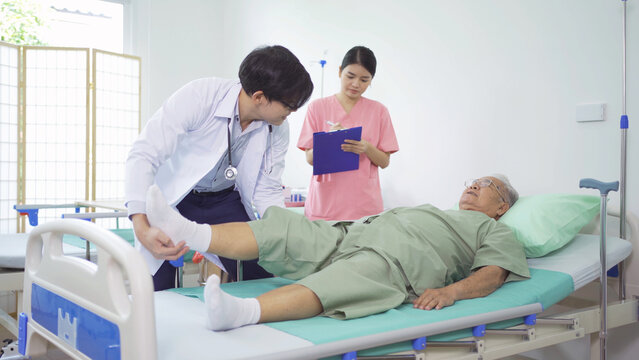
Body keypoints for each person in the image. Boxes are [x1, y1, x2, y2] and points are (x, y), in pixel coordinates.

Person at [145, 174, 530, 330]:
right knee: (285, 227)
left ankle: (240, 314)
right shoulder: (437, 210)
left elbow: (493, 274)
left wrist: (451, 292)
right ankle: (189, 231)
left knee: (341, 280)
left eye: (487, 184)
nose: (474, 185)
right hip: (356, 231)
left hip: (399, 259)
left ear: (502, 206)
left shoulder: (495, 229)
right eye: (472, 181)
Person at [125, 45, 314, 290]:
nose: (293, 111)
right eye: (289, 104)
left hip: (224, 201)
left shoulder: (276, 127)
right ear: (259, 97)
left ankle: (249, 320)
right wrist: (140, 226)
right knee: (156, 285)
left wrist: (288, 233)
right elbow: (144, 153)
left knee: (263, 272)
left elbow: (267, 189)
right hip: (177, 198)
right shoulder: (201, 96)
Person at [297, 46, 399, 221]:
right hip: (325, 203)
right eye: (350, 76)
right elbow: (310, 159)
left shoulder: (379, 111)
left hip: (363, 205)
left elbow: (384, 162)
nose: (356, 84)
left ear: (371, 80)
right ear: (339, 72)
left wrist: (366, 147)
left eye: (364, 79)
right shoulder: (318, 108)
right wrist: (330, 141)